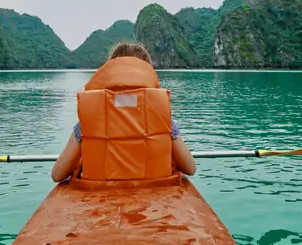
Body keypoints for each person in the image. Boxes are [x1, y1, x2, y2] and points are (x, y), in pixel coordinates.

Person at [51, 43, 196, 182]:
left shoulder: (89, 118)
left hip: (101, 197)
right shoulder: (162, 118)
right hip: (151, 199)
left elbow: (57, 174)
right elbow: (190, 168)